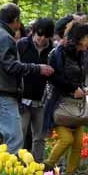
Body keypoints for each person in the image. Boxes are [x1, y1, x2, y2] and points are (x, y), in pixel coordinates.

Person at [0, 3, 54, 154]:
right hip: (2, 95)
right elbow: (12, 67)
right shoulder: (4, 37)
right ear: (15, 20)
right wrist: (38, 68)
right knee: (14, 139)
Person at [42, 23, 88, 175]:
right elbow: (52, 78)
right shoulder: (58, 53)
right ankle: (46, 169)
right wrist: (73, 89)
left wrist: (83, 87)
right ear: (78, 39)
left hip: (76, 106)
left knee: (78, 142)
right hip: (59, 104)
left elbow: (77, 77)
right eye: (86, 38)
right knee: (66, 139)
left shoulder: (80, 54)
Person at [17, 17, 55, 163]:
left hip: (42, 100)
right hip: (23, 98)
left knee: (39, 137)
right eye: (39, 34)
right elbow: (15, 68)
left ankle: (37, 167)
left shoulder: (52, 50)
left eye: (46, 36)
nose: (42, 38)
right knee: (20, 134)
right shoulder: (22, 45)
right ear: (33, 32)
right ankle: (18, 167)